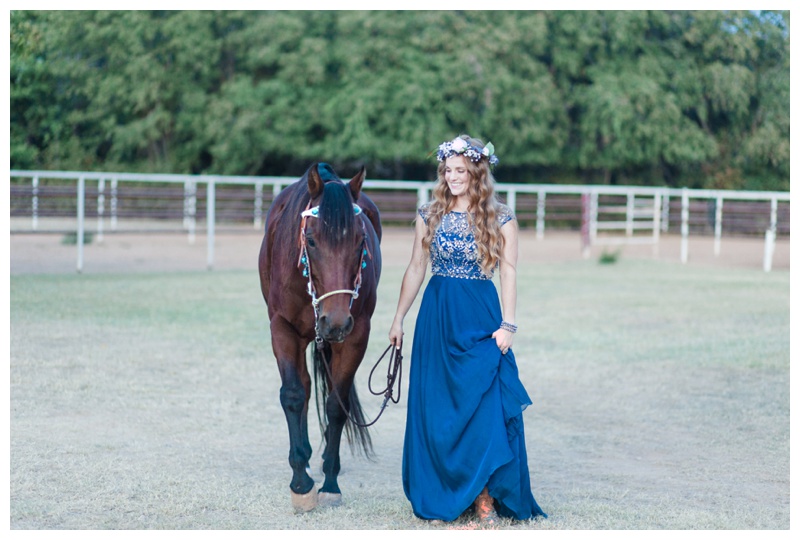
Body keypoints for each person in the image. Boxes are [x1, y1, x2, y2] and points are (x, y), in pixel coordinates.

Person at [388, 134, 547, 526]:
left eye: (460, 170)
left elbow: (508, 271)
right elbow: (415, 268)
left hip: (481, 317)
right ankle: (449, 494)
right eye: (448, 170)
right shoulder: (429, 214)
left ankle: (486, 499)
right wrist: (398, 318)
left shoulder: (501, 217)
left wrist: (508, 324)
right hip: (437, 318)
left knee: (485, 406)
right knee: (439, 409)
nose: (453, 176)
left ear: (477, 171)